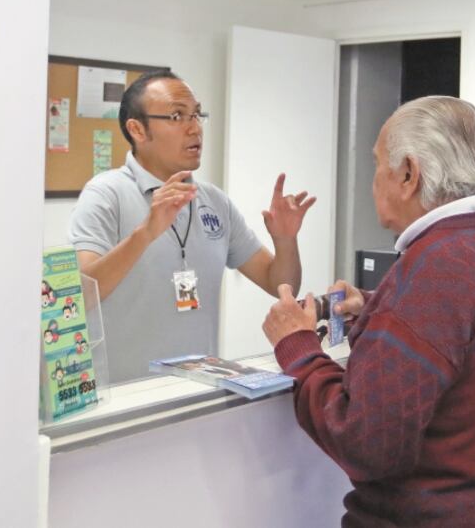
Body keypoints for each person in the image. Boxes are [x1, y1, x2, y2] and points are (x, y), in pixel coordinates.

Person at [262, 96, 475, 527]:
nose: (374, 180)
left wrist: (299, 348)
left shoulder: (434, 269)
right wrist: (378, 308)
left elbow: (365, 442)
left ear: (409, 174)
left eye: (378, 164)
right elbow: (463, 337)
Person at [69, 70, 315, 382]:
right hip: (126, 395)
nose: (194, 128)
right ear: (137, 129)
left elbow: (281, 284)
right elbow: (81, 295)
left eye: (197, 115)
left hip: (197, 391)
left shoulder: (214, 201)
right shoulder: (105, 194)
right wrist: (145, 234)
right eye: (177, 116)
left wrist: (285, 240)